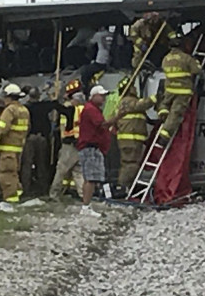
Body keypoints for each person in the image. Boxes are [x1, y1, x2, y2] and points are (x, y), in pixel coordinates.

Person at [113, 76, 158, 192]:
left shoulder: (127, 102)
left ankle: (126, 188)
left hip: (133, 141)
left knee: (131, 165)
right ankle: (122, 189)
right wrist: (155, 98)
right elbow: (141, 104)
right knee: (130, 165)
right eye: (132, 87)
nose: (135, 89)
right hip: (130, 140)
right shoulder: (126, 101)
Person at [0, 84, 30, 209]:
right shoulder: (24, 110)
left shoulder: (10, 110)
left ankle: (10, 198)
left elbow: (3, 127)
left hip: (7, 148)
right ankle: (17, 193)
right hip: (18, 147)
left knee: (5, 173)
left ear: (9, 97)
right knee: (14, 173)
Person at [158, 37, 201, 142]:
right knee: (175, 113)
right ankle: (164, 136)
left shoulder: (165, 59)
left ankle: (162, 111)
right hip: (183, 91)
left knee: (165, 103)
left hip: (169, 89)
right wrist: (196, 61)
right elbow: (197, 70)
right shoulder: (186, 58)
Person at [77, 85, 111, 217]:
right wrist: (119, 116)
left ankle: (87, 205)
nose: (104, 98)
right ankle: (86, 207)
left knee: (90, 178)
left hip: (91, 147)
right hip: (90, 147)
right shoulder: (91, 109)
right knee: (90, 178)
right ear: (93, 96)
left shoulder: (94, 109)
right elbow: (102, 125)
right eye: (101, 95)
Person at [49, 81, 85, 200]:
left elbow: (59, 108)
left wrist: (54, 99)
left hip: (70, 144)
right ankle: (84, 196)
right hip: (82, 144)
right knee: (78, 172)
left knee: (61, 170)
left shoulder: (72, 110)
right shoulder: (86, 110)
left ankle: (54, 194)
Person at [20, 87, 54, 197]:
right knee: (42, 164)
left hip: (29, 138)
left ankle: (26, 189)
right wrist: (50, 93)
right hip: (42, 138)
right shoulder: (43, 107)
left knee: (27, 164)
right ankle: (43, 189)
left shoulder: (25, 108)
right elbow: (53, 103)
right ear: (39, 96)